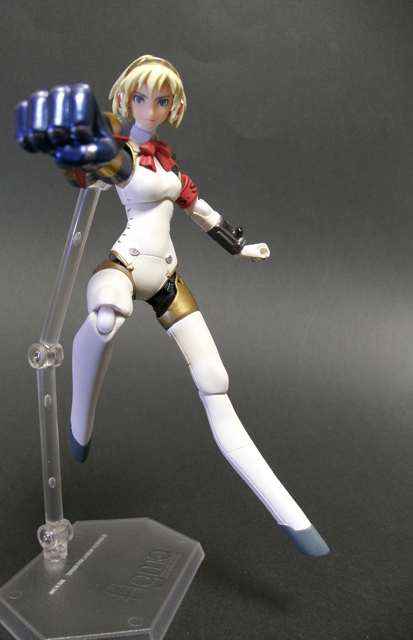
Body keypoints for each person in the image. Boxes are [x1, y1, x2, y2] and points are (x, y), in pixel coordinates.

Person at [16, 55, 329, 556]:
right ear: (127, 100)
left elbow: (201, 211)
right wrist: (72, 150)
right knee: (106, 317)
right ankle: (80, 422)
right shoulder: (125, 154)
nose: (151, 108)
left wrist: (240, 247)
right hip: (124, 267)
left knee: (215, 380)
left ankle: (289, 514)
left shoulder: (169, 163)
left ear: (173, 106)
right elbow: (96, 165)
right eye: (141, 98)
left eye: (161, 100)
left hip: (167, 278)